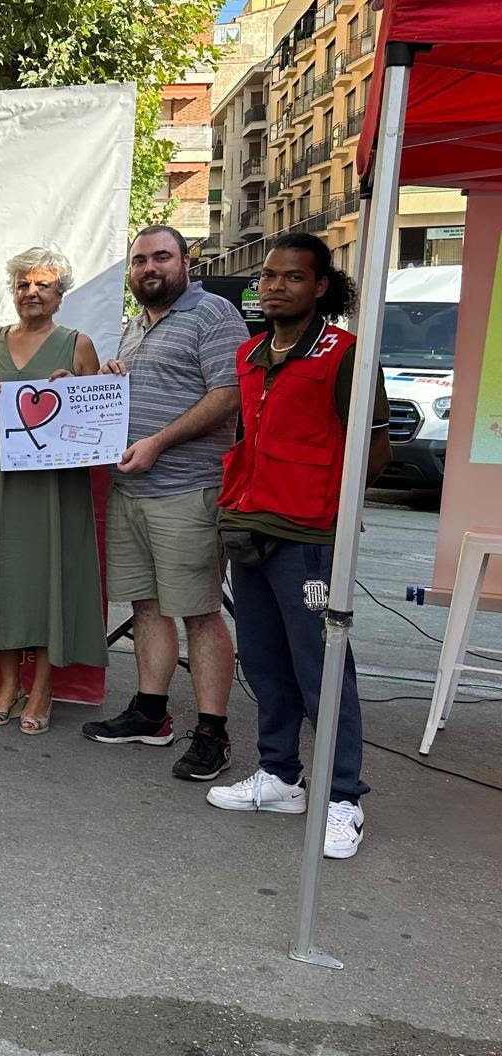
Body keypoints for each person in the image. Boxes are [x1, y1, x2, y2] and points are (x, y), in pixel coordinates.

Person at [207, 234, 390, 859]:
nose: (275, 286)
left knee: (325, 671)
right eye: (268, 276)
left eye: (292, 277)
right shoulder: (251, 353)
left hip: (310, 537)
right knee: (263, 662)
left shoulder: (347, 355)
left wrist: (332, 507)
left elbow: (376, 448)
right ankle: (282, 776)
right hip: (249, 528)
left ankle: (344, 798)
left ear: (320, 286)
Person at [81, 225, 249, 782]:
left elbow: (229, 396)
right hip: (132, 490)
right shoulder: (135, 326)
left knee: (199, 612)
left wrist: (158, 442)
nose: (148, 268)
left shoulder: (215, 315)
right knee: (146, 606)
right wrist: (106, 383)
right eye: (138, 261)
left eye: (160, 257)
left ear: (185, 262)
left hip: (188, 489)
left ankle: (212, 731)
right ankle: (150, 714)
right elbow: (148, 390)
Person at [0, 248, 108, 734]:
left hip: (51, 484)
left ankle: (41, 687)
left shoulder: (77, 343)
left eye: (42, 284)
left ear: (61, 293)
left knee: (46, 578)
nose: (31, 293)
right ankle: (7, 684)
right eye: (22, 285)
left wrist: (78, 389)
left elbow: (96, 422)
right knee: (0, 573)